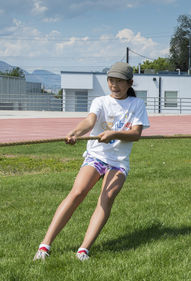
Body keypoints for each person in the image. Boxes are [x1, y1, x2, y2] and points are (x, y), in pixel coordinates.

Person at [33, 62, 150, 261]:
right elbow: (89, 121)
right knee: (77, 192)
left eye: (119, 81)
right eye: (111, 80)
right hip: (96, 156)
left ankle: (83, 250)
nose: (114, 85)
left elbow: (135, 134)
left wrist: (114, 133)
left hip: (118, 162)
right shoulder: (100, 101)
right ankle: (44, 246)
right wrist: (76, 133)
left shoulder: (137, 105)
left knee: (107, 197)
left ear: (130, 83)